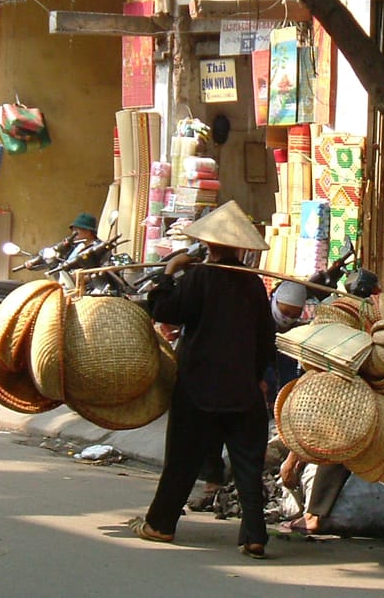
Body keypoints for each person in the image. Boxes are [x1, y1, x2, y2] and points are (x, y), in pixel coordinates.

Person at [128, 201, 276, 560]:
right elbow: (264, 339)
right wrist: (257, 379)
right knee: (247, 466)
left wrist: (168, 272)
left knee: (182, 459)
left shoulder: (198, 277)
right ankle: (254, 535)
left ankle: (160, 525)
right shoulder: (253, 285)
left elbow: (164, 310)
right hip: (242, 390)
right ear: (240, 248)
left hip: (198, 388)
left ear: (208, 246)